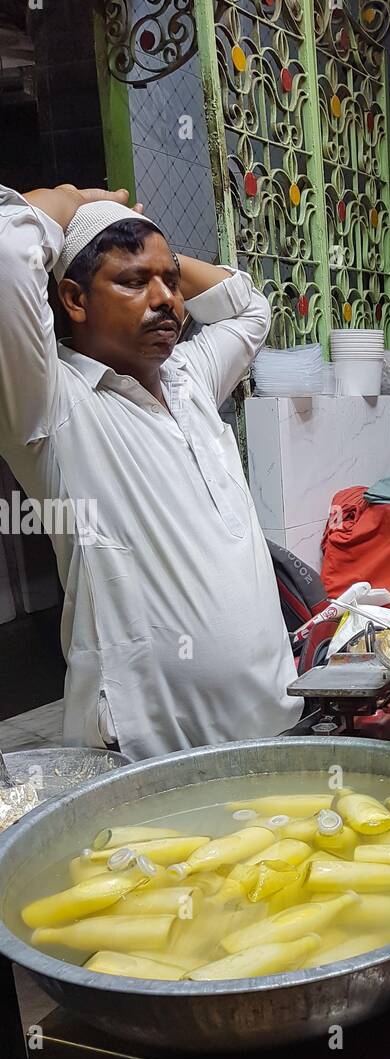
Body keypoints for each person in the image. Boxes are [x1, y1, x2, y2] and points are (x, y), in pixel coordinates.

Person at [0, 182, 303, 761]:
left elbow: (252, 308)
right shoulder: (52, 403)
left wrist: (144, 242)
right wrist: (67, 203)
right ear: (74, 299)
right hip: (153, 752)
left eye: (171, 281)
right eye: (134, 282)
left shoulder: (190, 377)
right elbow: (8, 258)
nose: (167, 298)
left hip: (270, 720)